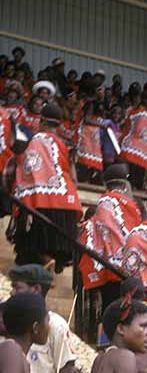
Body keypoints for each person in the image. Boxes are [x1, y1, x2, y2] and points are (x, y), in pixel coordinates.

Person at [13, 101, 82, 271]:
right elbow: (73, 178)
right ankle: (51, 265)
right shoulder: (66, 144)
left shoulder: (35, 140)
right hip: (66, 203)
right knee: (55, 248)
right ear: (58, 124)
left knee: (32, 248)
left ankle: (45, 260)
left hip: (41, 203)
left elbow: (28, 172)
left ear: (41, 122)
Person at [78, 163, 143, 337]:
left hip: (111, 266)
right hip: (130, 266)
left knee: (110, 308)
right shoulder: (133, 205)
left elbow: (102, 230)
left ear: (106, 184)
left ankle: (107, 342)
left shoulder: (105, 202)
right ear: (124, 184)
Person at [120, 89, 147, 190]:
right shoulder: (142, 114)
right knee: (135, 179)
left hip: (133, 150)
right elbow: (143, 131)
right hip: (136, 150)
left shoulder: (135, 112)